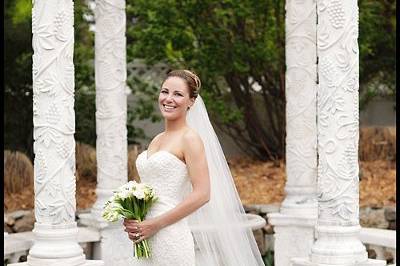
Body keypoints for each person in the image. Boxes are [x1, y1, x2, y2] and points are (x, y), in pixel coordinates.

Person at [123, 69, 264, 266]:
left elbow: (203, 194)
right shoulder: (157, 139)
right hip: (145, 235)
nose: (168, 98)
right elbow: (148, 187)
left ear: (191, 101)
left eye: (178, 94)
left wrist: (155, 224)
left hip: (169, 236)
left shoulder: (190, 139)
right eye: (165, 91)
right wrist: (133, 216)